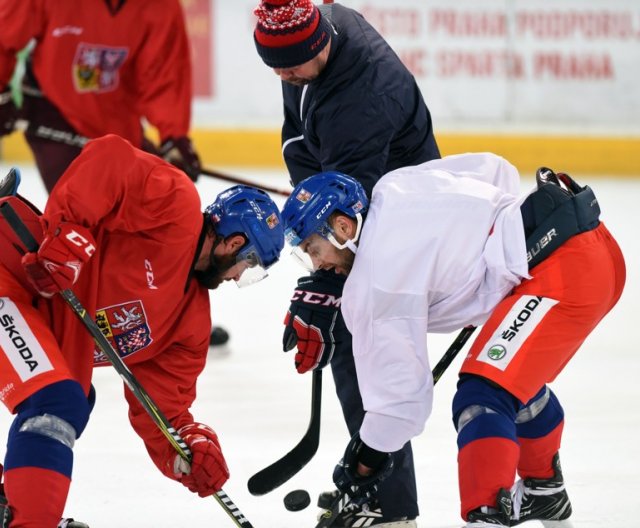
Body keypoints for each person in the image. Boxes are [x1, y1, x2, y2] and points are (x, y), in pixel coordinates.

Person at [279, 153, 625, 527]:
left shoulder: (376, 281)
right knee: (511, 381)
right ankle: (544, 489)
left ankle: (488, 514)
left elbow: (401, 406)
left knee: (483, 398)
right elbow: (495, 169)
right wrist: (478, 249)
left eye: (314, 250)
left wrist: (362, 464)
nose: (317, 267)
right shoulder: (392, 188)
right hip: (593, 244)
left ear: (343, 228)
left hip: (565, 273)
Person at [0, 134, 285, 527]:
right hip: (8, 272)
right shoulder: (177, 207)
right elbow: (109, 160)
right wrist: (67, 231)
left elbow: (163, 409)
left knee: (74, 399)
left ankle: (15, 505)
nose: (238, 278)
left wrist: (188, 445)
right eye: (248, 265)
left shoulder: (190, 323)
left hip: (31, 318)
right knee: (57, 401)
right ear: (234, 244)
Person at [253, 0, 441, 524]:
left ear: (322, 46)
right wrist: (308, 197)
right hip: (358, 205)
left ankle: (386, 503)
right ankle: (383, 493)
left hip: (397, 219)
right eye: (275, 67)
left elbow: (348, 204)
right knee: (351, 345)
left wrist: (327, 277)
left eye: (290, 67)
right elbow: (298, 137)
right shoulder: (304, 39)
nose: (283, 76)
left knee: (363, 348)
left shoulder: (363, 92)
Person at [0, 0, 232, 347]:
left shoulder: (159, 7)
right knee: (79, 213)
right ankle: (56, 307)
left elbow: (165, 71)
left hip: (117, 123)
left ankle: (172, 318)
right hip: (54, 111)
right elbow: (5, 33)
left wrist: (173, 137)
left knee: (162, 218)